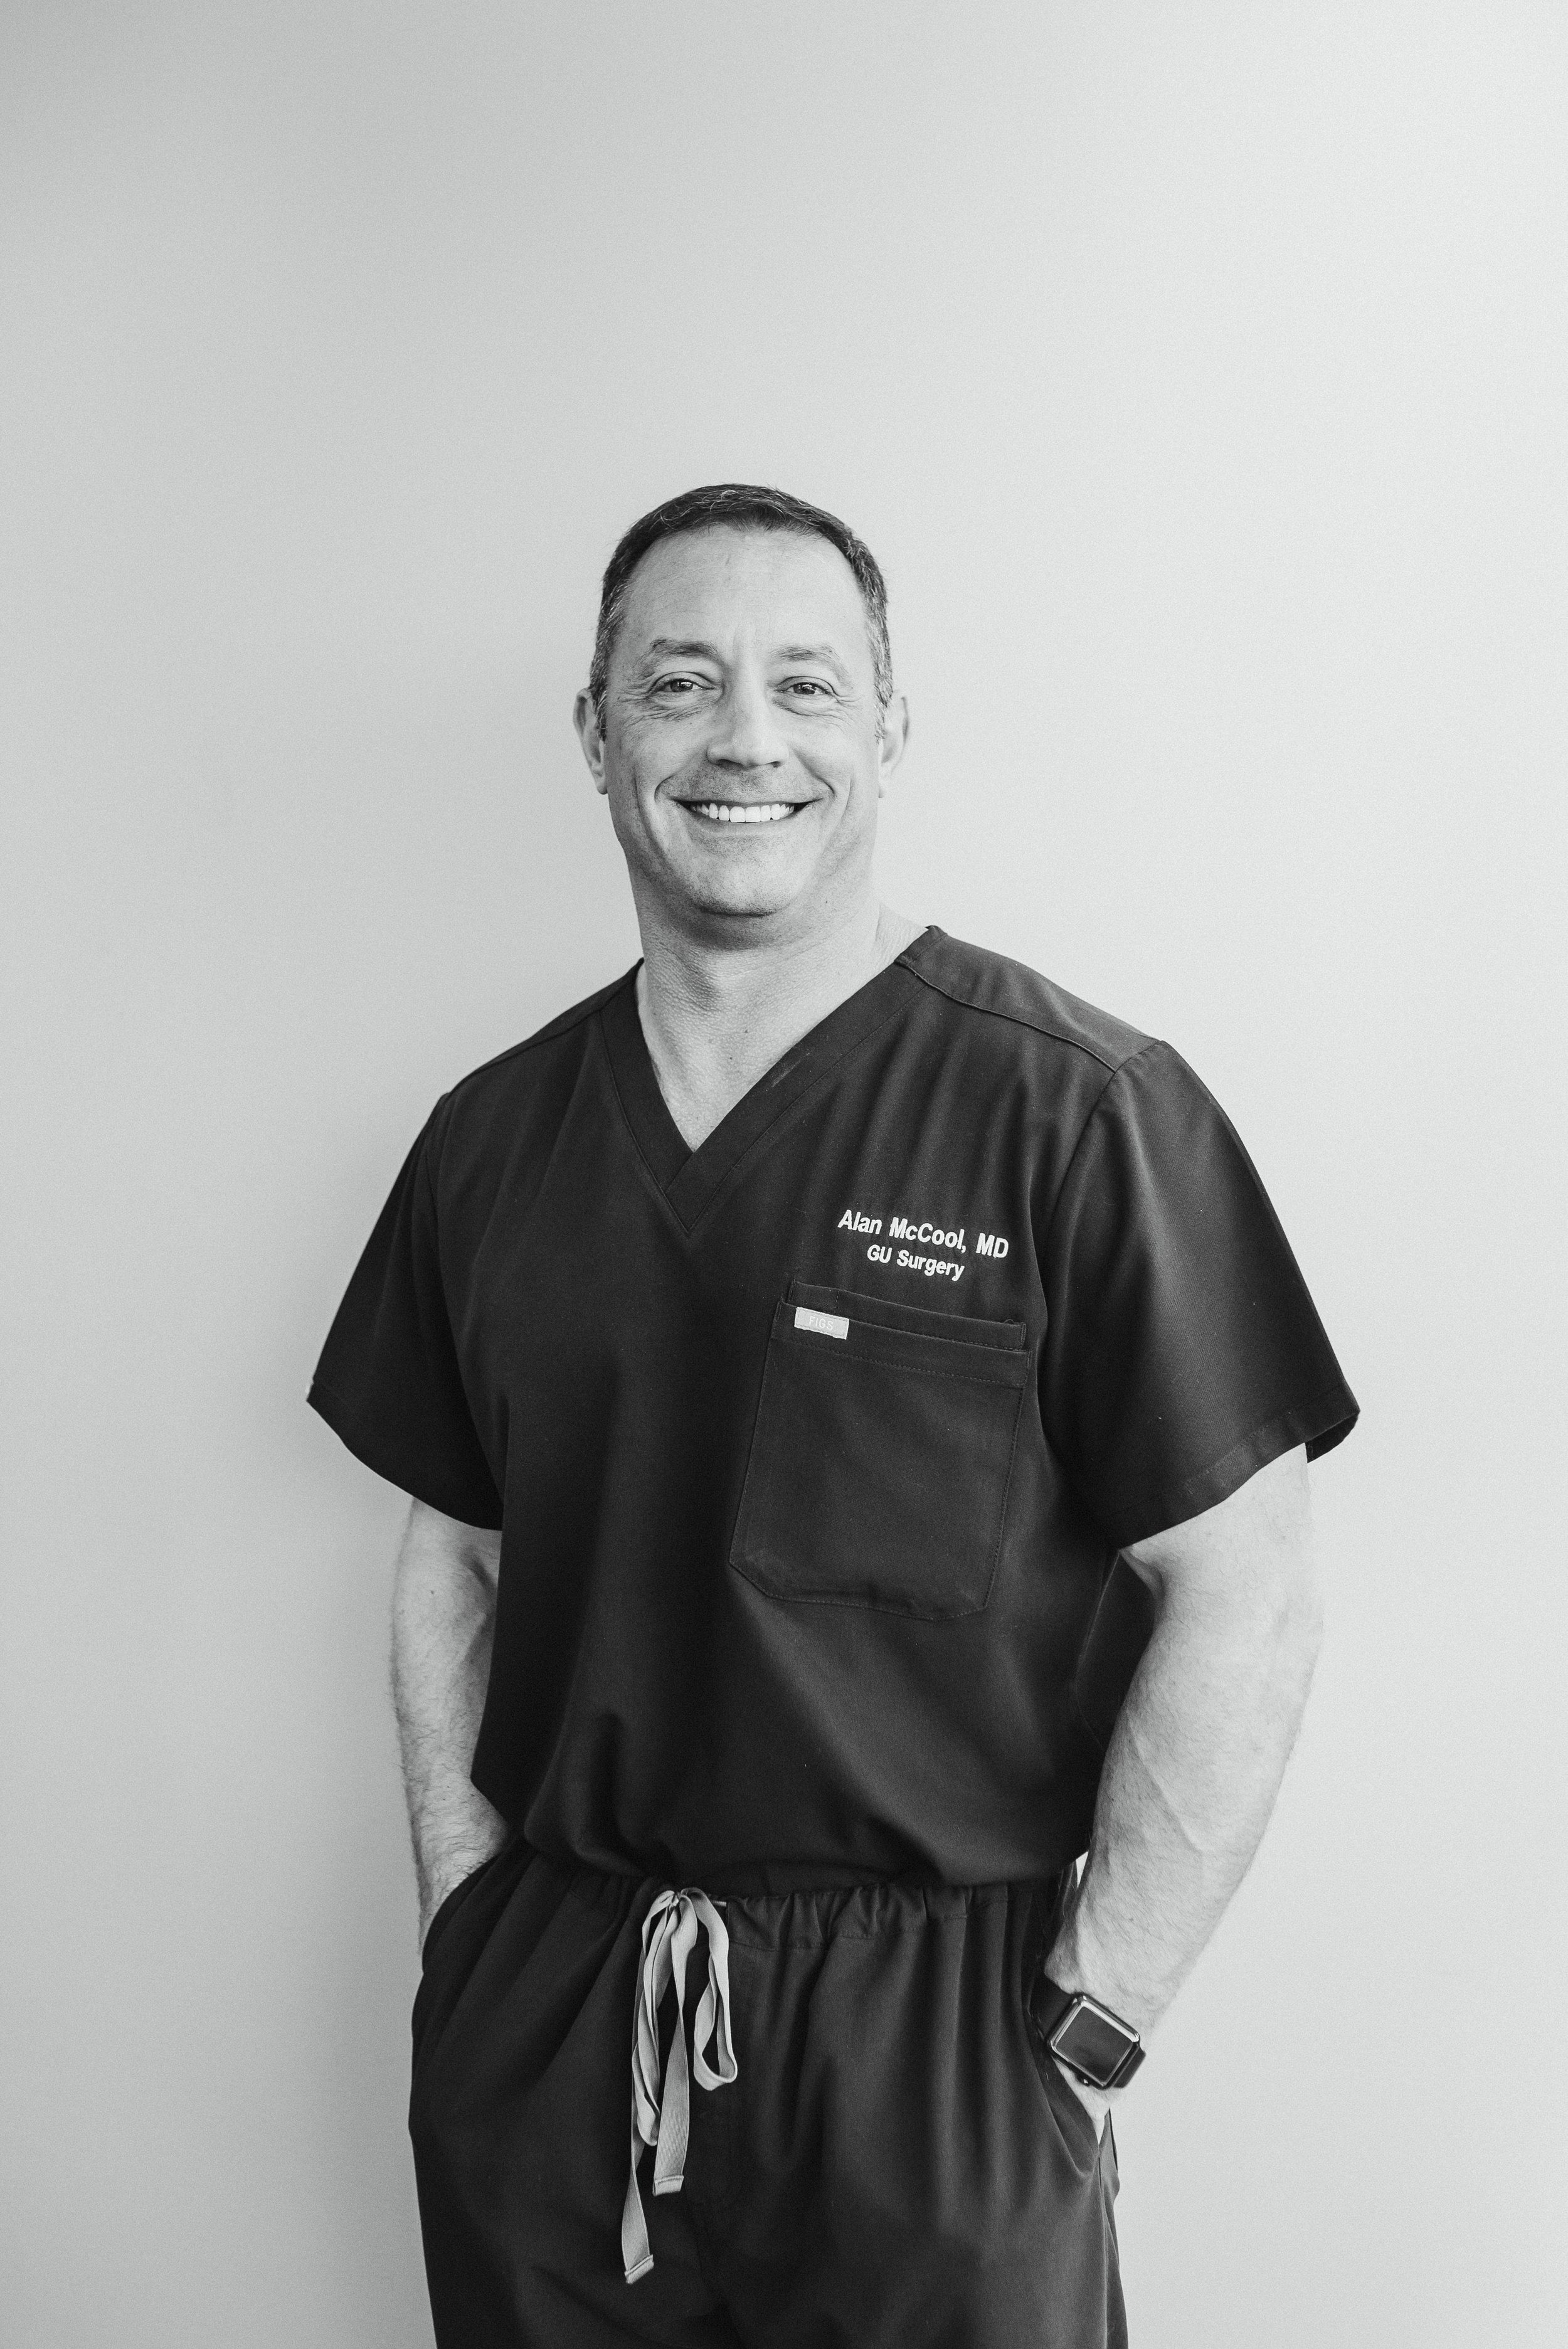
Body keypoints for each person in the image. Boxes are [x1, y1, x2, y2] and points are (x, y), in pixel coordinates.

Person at [309, 482, 1357, 2348]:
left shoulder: (1074, 1115)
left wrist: (1091, 2022)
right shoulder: (493, 1142)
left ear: (888, 726)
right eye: (679, 682)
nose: (745, 739)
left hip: (935, 2054)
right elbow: (452, 1557)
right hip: (565, 2024)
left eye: (805, 684)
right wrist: (472, 1938)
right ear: (597, 732)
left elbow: (1247, 1585)